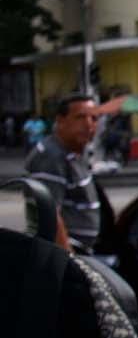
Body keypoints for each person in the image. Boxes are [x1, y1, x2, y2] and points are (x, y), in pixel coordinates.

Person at [24, 95, 105, 252]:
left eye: (94, 118)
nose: (88, 124)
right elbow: (49, 213)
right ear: (61, 121)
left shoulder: (74, 152)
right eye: (80, 117)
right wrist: (69, 259)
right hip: (64, 253)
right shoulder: (52, 156)